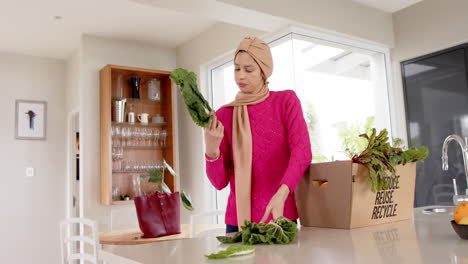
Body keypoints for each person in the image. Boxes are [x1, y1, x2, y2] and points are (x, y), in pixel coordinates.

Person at [204, 36, 312, 233]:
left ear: (264, 71)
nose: (240, 76)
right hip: (237, 222)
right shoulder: (224, 115)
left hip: (280, 217)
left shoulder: (285, 101)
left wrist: (282, 195)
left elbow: (302, 153)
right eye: (236, 69)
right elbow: (219, 182)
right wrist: (211, 150)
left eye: (249, 69)